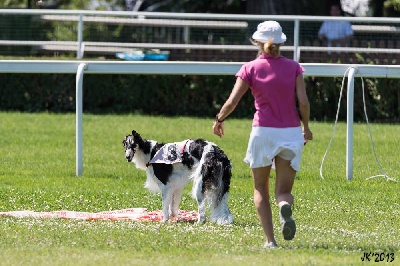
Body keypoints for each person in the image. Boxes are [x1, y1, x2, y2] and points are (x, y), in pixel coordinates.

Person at [212, 20, 313, 248]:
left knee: (260, 188)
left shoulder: (250, 68)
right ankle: (284, 206)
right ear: (281, 42)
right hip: (291, 134)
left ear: (257, 41)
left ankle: (270, 241)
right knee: (284, 191)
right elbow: (304, 103)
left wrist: (219, 119)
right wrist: (306, 127)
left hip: (263, 133)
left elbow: (232, 102)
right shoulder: (294, 67)